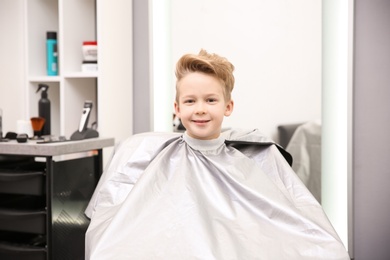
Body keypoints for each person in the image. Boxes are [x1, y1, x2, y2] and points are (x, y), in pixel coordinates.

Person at [85, 50, 350, 259]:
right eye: (190, 101)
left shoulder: (257, 156)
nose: (200, 109)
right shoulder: (146, 152)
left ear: (228, 106)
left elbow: (291, 222)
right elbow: (114, 232)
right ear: (177, 108)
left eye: (210, 100)